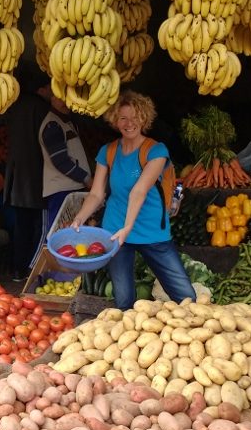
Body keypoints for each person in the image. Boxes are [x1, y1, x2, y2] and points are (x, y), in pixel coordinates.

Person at [69, 91, 196, 310]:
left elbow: (139, 190)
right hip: (116, 231)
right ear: (115, 121)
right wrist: (79, 219)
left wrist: (128, 227)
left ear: (145, 118)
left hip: (150, 229)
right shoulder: (107, 152)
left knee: (185, 296)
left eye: (135, 117)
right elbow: (97, 194)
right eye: (123, 118)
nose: (129, 123)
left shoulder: (156, 150)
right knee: (124, 300)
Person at [2, 87, 46, 282]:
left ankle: (17, 269)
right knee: (36, 227)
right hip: (35, 177)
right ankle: (30, 270)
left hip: (17, 175)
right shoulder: (42, 108)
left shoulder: (16, 105)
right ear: (43, 87)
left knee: (22, 225)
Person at [37, 85, 91, 233]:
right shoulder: (52, 125)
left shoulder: (66, 122)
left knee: (72, 232)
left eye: (67, 97)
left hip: (71, 189)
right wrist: (87, 178)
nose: (64, 102)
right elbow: (61, 161)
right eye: (59, 97)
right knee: (57, 234)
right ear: (52, 98)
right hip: (61, 191)